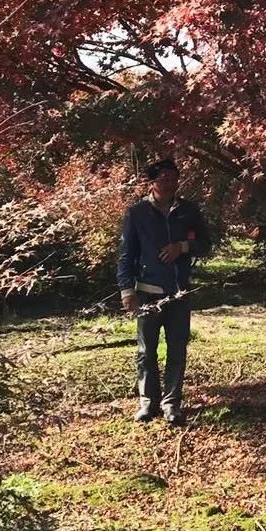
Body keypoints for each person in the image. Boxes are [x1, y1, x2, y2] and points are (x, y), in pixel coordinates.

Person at [117, 157, 212, 425]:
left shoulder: (189, 211)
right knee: (146, 351)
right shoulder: (137, 214)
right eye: (164, 179)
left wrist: (182, 246)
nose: (170, 184)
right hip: (147, 292)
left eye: (174, 178)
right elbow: (126, 255)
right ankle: (148, 403)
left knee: (177, 349)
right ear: (152, 183)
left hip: (180, 292)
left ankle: (172, 404)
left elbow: (206, 243)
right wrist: (126, 290)